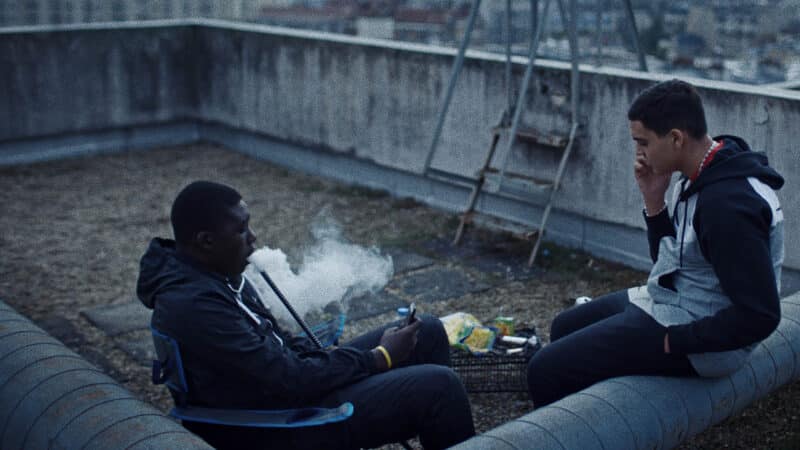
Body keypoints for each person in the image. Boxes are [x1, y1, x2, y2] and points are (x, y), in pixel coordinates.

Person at [137, 181, 475, 450]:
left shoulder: (216, 275)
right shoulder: (194, 305)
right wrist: (379, 358)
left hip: (285, 392)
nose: (253, 239)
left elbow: (283, 348)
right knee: (441, 387)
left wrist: (339, 360)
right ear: (206, 241)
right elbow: (289, 378)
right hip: (275, 426)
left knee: (426, 330)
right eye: (241, 231)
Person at [527, 79, 785, 407]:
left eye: (643, 143)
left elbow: (760, 315)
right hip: (673, 302)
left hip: (700, 337)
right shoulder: (703, 169)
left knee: (545, 370)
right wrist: (654, 199)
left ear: (676, 138)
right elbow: (669, 264)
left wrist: (673, 341)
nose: (639, 154)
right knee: (565, 325)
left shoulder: (726, 206)